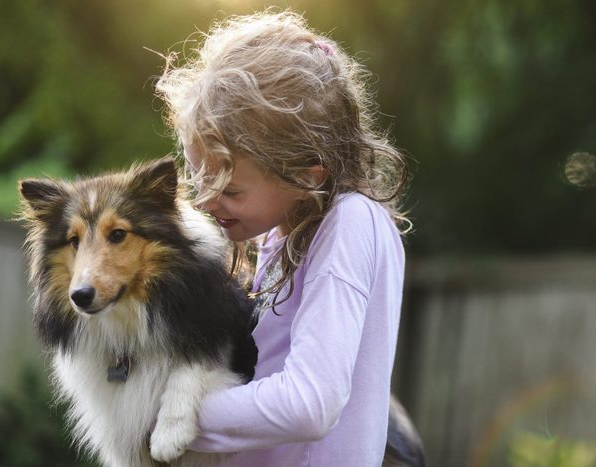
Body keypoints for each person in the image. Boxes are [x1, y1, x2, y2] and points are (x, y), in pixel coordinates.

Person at [156, 10, 411, 466]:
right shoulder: (281, 235)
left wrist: (163, 413)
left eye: (230, 190)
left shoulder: (349, 223)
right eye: (199, 180)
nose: (206, 202)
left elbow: (309, 404)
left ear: (304, 176)